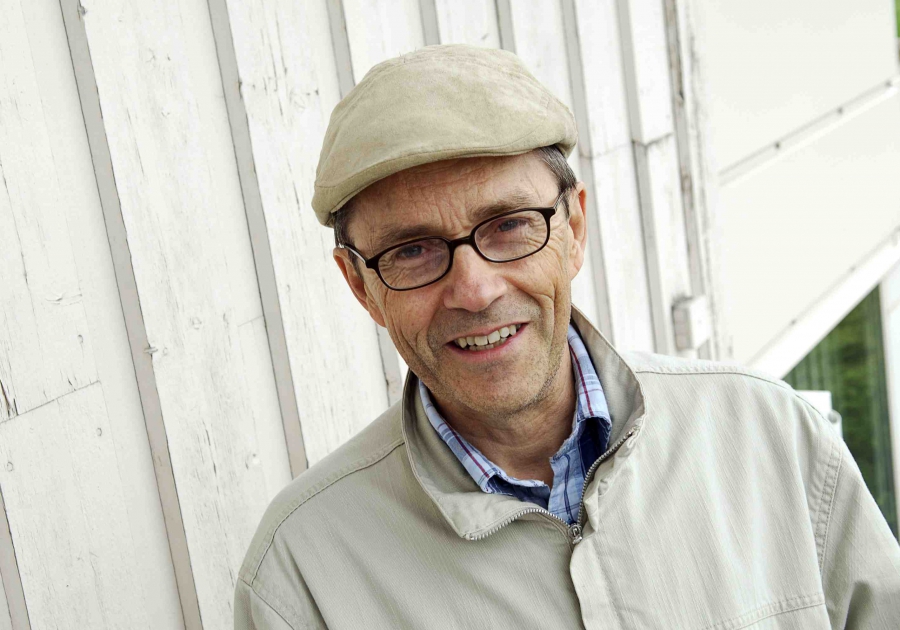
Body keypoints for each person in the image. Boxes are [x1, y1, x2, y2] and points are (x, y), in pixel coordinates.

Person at [234, 45, 900, 629]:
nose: (475, 290)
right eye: (412, 250)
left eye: (508, 225)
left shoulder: (769, 435)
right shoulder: (300, 578)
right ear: (360, 286)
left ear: (574, 228)